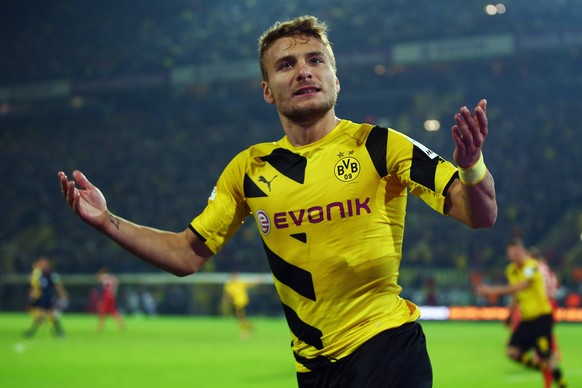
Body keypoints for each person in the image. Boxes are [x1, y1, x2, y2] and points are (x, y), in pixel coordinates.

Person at [58, 15, 497, 387]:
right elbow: (185, 254)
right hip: (313, 369)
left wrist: (473, 166)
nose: (304, 71)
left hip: (387, 351)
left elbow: (480, 213)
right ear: (267, 89)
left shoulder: (379, 145)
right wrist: (106, 220)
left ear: (335, 79)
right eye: (286, 65)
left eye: (315, 60)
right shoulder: (249, 169)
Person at [476, 238, 566, 388]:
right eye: (512, 254)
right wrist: (510, 315)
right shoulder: (511, 270)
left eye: (517, 253)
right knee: (512, 352)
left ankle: (563, 384)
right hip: (526, 319)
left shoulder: (531, 266)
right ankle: (543, 368)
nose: (515, 257)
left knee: (546, 356)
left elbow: (520, 287)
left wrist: (492, 291)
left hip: (542, 317)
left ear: (523, 251)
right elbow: (516, 296)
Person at [24, 257, 68, 338]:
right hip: (42, 297)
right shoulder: (39, 274)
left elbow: (57, 284)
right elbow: (35, 285)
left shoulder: (51, 273)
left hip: (48, 297)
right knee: (48, 315)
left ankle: (31, 332)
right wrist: (33, 294)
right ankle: (59, 332)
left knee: (45, 315)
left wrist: (62, 293)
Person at [222, 272, 256, 338]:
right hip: (236, 304)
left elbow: (251, 284)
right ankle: (250, 326)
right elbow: (228, 294)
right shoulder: (229, 285)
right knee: (241, 319)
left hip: (243, 303)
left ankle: (244, 333)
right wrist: (227, 299)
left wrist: (257, 281)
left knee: (240, 319)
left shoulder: (241, 282)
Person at [96, 267, 125, 331]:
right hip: (110, 296)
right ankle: (121, 324)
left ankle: (100, 326)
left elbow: (98, 277)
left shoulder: (105, 277)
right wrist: (114, 292)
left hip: (106, 296)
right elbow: (116, 283)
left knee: (103, 311)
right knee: (113, 311)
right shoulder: (112, 277)